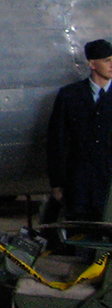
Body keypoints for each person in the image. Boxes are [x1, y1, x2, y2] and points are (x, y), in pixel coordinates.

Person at [47, 39, 112, 220]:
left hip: (110, 184)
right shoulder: (70, 96)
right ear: (92, 64)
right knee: (81, 237)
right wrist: (57, 183)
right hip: (81, 185)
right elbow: (57, 141)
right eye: (107, 60)